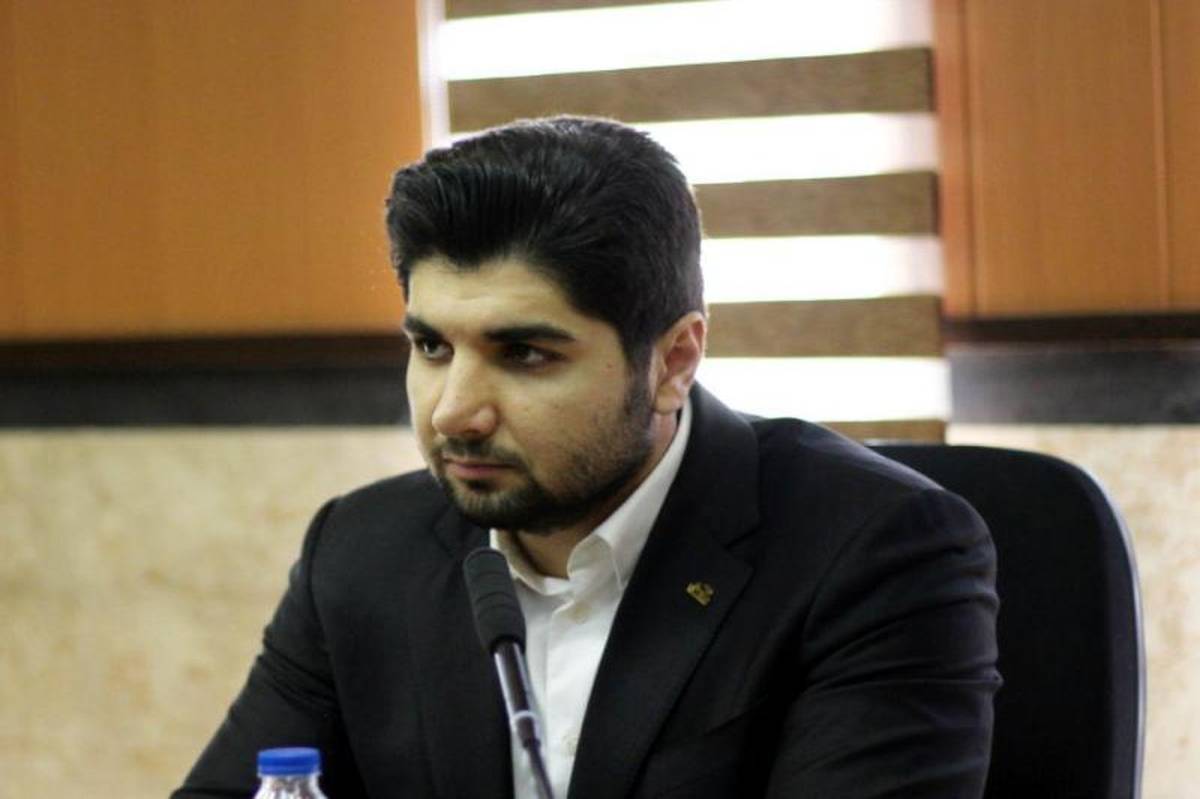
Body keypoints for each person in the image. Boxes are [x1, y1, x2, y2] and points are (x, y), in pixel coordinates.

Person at [174, 116, 1000, 798]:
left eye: (525, 353)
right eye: (431, 346)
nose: (455, 411)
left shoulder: (873, 553)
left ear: (673, 361)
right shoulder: (360, 552)